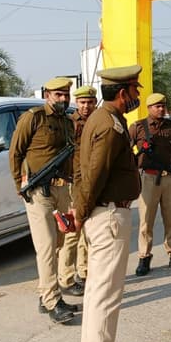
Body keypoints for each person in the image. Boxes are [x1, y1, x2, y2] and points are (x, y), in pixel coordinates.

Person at [71, 65, 144, 342]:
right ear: (123, 92)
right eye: (135, 90)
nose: (138, 95)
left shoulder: (101, 119)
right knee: (106, 292)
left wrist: (81, 210)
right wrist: (81, 213)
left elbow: (82, 169)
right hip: (109, 214)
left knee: (96, 289)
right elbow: (94, 174)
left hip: (103, 213)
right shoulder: (110, 125)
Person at [9, 77, 77, 324]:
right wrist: (19, 185)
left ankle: (46, 293)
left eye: (66, 94)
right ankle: (52, 301)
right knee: (47, 246)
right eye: (58, 94)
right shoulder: (33, 118)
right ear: (47, 95)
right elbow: (16, 152)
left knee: (59, 242)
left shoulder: (67, 121)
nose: (63, 99)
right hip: (38, 191)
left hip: (62, 189)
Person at [131, 93, 171, 276]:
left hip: (168, 177)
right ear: (149, 108)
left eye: (163, 105)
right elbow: (126, 151)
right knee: (146, 220)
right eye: (157, 106)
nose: (161, 109)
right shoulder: (138, 126)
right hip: (148, 177)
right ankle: (144, 256)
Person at [57, 85, 97, 296]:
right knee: (72, 230)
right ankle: (66, 278)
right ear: (76, 103)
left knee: (88, 231)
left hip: (91, 182)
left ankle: (84, 271)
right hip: (73, 182)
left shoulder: (97, 121)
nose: (86, 106)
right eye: (82, 102)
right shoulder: (69, 124)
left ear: (95, 102)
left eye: (89, 102)